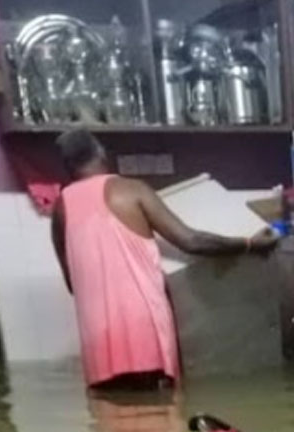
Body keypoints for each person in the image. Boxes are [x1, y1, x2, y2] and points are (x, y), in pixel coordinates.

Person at [51, 130, 276, 391]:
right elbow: (191, 241)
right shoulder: (131, 190)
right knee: (161, 419)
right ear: (101, 152)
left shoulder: (60, 208)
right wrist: (249, 244)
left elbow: (72, 284)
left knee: (112, 424)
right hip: (145, 338)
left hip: (98, 351)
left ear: (67, 166)